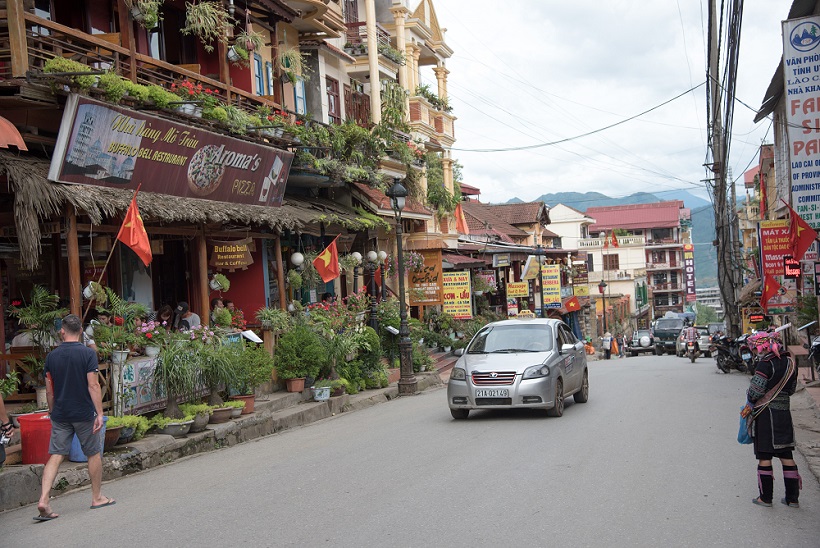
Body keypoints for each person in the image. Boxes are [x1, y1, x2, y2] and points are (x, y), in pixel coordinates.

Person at [36, 314, 114, 521]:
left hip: (61, 413)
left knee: (56, 455)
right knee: (93, 453)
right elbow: (93, 385)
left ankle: (44, 499)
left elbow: (49, 390)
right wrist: (99, 413)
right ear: (80, 331)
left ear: (62, 332)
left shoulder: (51, 357)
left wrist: (52, 411)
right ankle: (97, 497)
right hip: (83, 413)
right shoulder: (87, 354)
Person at [744, 330, 801, 508]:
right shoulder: (790, 362)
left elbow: (755, 392)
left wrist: (750, 399)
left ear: (763, 346)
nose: (755, 352)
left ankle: (765, 498)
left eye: (756, 348)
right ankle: (792, 499)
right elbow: (791, 389)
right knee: (786, 454)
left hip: (765, 414)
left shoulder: (765, 364)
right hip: (784, 414)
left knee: (765, 456)